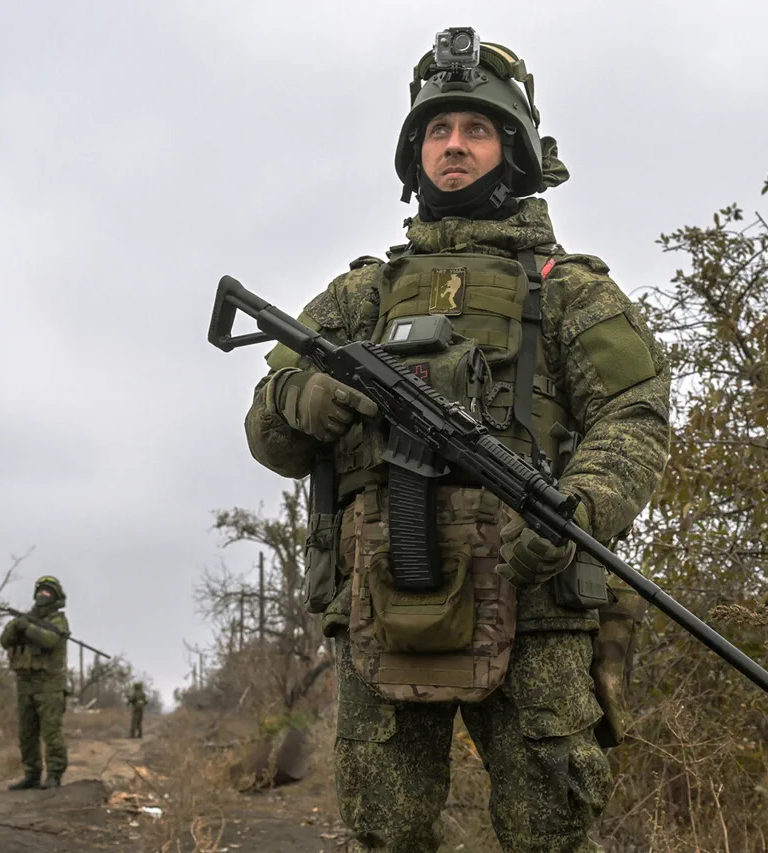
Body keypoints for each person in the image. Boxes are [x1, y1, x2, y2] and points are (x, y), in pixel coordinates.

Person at [241, 28, 671, 853]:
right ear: (414, 155)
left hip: (533, 592)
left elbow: (635, 413)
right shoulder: (359, 297)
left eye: (475, 129)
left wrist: (578, 508)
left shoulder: (568, 291)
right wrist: (308, 395)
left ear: (513, 150)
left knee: (552, 825)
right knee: (385, 827)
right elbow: (269, 426)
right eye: (437, 131)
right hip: (381, 597)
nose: (454, 146)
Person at [1, 575, 70, 790]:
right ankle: (32, 773)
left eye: (48, 593)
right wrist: (17, 626)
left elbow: (49, 640)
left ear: (55, 597)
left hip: (49, 684)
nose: (43, 596)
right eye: (40, 592)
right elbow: (5, 640)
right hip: (25, 683)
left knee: (51, 732)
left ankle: (54, 774)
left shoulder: (58, 621)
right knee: (27, 733)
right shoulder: (24, 618)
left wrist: (28, 628)